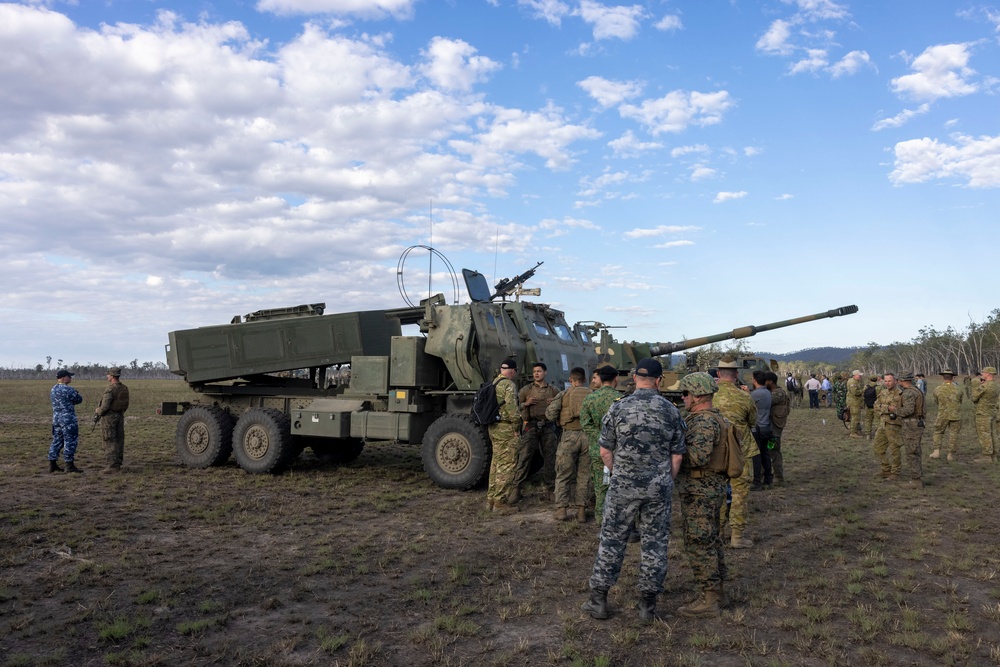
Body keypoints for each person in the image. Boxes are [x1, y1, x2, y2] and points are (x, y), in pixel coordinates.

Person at [581, 358, 685, 623]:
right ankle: (647, 607)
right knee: (654, 543)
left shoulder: (618, 408)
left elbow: (605, 450)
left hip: (622, 488)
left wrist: (620, 474)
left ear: (634, 379)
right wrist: (664, 480)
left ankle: (599, 601)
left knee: (612, 540)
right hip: (658, 489)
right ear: (659, 380)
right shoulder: (671, 411)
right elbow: (677, 457)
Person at [675, 372, 728, 618]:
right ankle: (716, 589)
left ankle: (709, 599)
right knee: (711, 539)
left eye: (685, 393)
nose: (683, 398)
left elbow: (697, 457)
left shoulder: (703, 422)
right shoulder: (712, 418)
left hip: (700, 490)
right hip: (709, 487)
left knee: (699, 541)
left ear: (696, 396)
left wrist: (672, 452)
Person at [714, 357, 757, 548]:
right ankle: (737, 537)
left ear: (717, 374)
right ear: (736, 375)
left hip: (717, 453)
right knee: (740, 494)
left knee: (719, 493)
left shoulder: (709, 395)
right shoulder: (744, 396)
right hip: (741, 451)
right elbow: (752, 421)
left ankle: (718, 533)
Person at [545, 367, 592, 523]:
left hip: (569, 437)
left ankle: (562, 510)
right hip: (587, 437)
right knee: (584, 476)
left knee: (563, 474)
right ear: (584, 380)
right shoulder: (591, 394)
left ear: (570, 380)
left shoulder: (563, 394)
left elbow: (550, 414)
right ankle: (581, 513)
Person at [510, 362, 559, 502]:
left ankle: (551, 489)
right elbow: (514, 406)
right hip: (531, 426)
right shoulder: (526, 390)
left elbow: (561, 407)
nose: (536, 373)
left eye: (539, 371)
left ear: (545, 373)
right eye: (534, 371)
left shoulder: (553, 390)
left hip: (548, 427)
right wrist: (526, 403)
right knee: (524, 457)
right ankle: (517, 489)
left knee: (550, 459)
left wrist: (553, 403)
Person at [580, 365, 619, 523]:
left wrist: (601, 437)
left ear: (601, 379)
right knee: (619, 484)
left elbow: (585, 423)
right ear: (615, 379)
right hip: (618, 451)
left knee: (602, 484)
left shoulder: (590, 398)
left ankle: (601, 519)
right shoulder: (621, 399)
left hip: (599, 451)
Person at [486, 359, 521, 512]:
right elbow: (513, 409)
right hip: (506, 429)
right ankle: (500, 503)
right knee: (507, 465)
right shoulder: (508, 385)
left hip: (494, 428)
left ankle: (491, 501)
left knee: (496, 464)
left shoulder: (493, 383)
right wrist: (516, 426)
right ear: (512, 371)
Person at [95, 367, 130, 472]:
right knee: (119, 439)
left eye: (108, 374)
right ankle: (118, 462)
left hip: (109, 417)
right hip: (120, 415)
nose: (107, 376)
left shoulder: (110, 389)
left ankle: (112, 466)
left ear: (112, 376)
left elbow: (105, 406)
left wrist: (98, 411)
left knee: (109, 440)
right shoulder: (124, 388)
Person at [48, 369, 84, 473]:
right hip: (67, 418)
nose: (71, 378)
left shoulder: (53, 389)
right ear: (63, 378)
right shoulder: (68, 389)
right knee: (70, 440)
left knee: (57, 440)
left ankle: (52, 463)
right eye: (69, 376)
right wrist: (76, 393)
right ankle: (69, 465)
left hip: (56, 418)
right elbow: (79, 399)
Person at [896, 372, 926, 489]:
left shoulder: (908, 393)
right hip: (916, 423)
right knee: (915, 451)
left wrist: (895, 410)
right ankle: (916, 477)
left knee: (912, 452)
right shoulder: (916, 390)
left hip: (911, 425)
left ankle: (916, 480)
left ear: (901, 380)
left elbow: (908, 410)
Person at [872, 372, 903, 481]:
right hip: (882, 424)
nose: (887, 383)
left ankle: (895, 472)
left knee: (894, 449)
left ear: (895, 381)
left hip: (893, 425)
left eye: (890, 381)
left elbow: (895, 409)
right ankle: (885, 469)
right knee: (877, 447)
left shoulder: (899, 394)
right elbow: (875, 406)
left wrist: (882, 407)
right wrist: (886, 408)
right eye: (885, 381)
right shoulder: (883, 392)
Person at [930, 369, 963, 462]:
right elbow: (960, 401)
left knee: (938, 432)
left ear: (943, 377)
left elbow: (936, 402)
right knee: (953, 434)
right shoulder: (958, 389)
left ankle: (936, 451)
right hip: (956, 415)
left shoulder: (937, 389)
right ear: (953, 377)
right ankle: (950, 454)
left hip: (942, 414)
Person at [749, 370, 773, 490]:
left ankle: (757, 481)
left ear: (754, 380)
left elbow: (748, 405)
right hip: (767, 427)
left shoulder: (755, 394)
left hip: (757, 428)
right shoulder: (768, 392)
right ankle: (768, 478)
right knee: (765, 453)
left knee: (756, 456)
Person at [764, 372, 789, 485]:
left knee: (773, 451)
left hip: (774, 429)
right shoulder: (772, 392)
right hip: (771, 426)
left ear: (770, 382)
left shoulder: (778, 394)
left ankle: (778, 477)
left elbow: (766, 401)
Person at [970, 367, 998, 464]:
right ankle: (994, 455)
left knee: (984, 435)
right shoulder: (996, 385)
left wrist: (978, 386)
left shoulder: (984, 386)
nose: (982, 374)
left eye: (984, 372)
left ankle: (987, 456)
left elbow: (973, 397)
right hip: (992, 412)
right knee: (993, 434)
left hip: (983, 413)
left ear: (989, 374)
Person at [846, 370, 865, 439]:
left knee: (855, 417)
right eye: (859, 375)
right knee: (855, 417)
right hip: (854, 402)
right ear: (855, 375)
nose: (860, 376)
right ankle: (853, 433)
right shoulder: (852, 382)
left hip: (855, 401)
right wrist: (863, 390)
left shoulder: (855, 381)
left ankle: (854, 430)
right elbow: (855, 392)